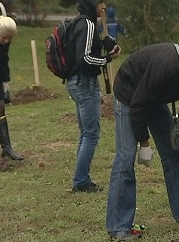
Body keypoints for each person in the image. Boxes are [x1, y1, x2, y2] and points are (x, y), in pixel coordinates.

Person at [106, 43, 179, 242]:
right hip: (130, 94)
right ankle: (118, 226)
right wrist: (143, 142)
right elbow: (138, 105)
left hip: (152, 96)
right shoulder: (167, 69)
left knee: (175, 153)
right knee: (125, 158)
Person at [65, 0, 120, 193]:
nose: (104, 7)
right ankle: (80, 181)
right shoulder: (87, 24)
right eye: (100, 3)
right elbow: (85, 58)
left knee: (85, 133)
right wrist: (107, 59)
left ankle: (81, 178)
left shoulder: (78, 22)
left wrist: (106, 44)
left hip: (74, 82)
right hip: (84, 82)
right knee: (91, 134)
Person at [0, 15, 23, 160]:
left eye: (9, 38)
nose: (6, 41)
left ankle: (6, 148)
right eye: (4, 37)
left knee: (0, 107)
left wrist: (5, 82)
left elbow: (3, 60)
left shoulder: (4, 41)